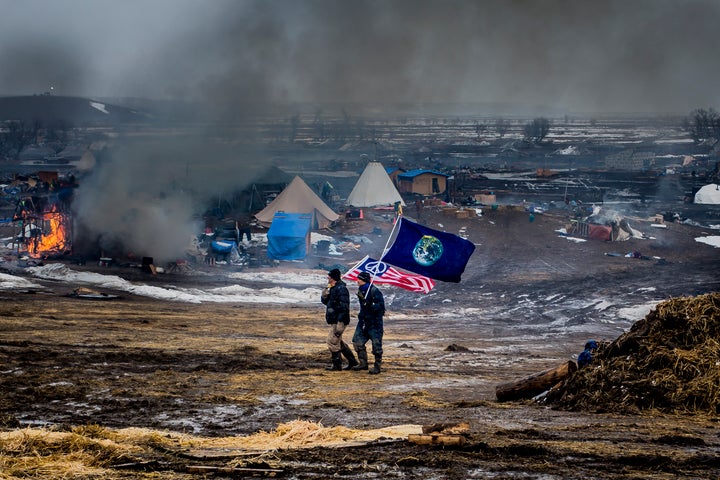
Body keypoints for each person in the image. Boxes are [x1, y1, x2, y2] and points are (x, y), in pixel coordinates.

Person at [320, 268, 358, 371]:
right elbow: (328, 303)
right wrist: (324, 295)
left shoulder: (341, 289)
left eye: (329, 276)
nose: (327, 277)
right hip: (334, 320)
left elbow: (344, 307)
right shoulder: (333, 288)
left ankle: (337, 365)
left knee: (332, 341)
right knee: (338, 342)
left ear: (333, 277)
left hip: (339, 320)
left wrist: (340, 323)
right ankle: (353, 362)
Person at [352, 271, 385, 374]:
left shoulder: (374, 291)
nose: (357, 281)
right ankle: (363, 363)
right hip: (363, 322)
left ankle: (377, 366)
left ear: (365, 280)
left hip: (374, 324)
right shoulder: (361, 290)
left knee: (376, 346)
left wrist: (370, 305)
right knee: (357, 341)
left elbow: (381, 308)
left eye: (359, 279)